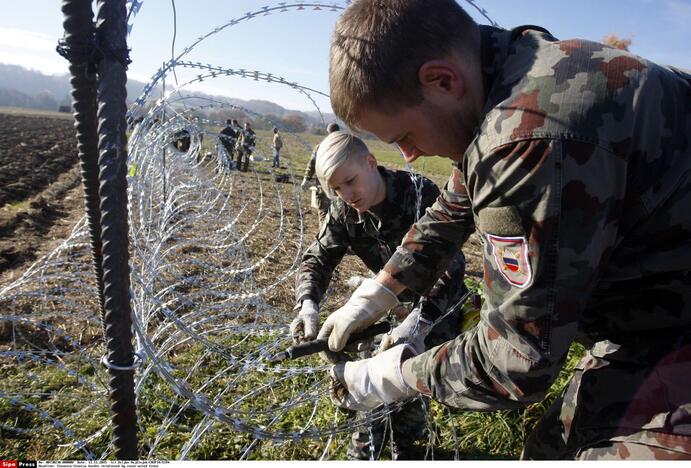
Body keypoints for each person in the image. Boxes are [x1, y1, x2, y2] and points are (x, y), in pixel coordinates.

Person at [321, 0, 691, 460]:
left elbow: (516, 360)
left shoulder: (528, 136)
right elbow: (454, 206)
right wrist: (379, 291)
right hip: (658, 304)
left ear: (441, 80)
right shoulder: (515, 70)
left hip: (671, 324)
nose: (410, 157)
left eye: (404, 138)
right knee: (550, 448)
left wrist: (388, 377)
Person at [291, 131, 468, 459]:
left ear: (371, 163)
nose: (346, 194)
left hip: (438, 304)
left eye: (350, 181)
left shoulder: (418, 194)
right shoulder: (343, 212)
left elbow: (450, 264)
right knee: (372, 387)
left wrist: (420, 321)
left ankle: (408, 448)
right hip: (387, 303)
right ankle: (366, 452)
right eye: (336, 189)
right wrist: (308, 303)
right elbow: (319, 257)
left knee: (412, 380)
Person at [301, 122, 340, 226]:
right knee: (338, 215)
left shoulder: (320, 147)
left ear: (328, 132)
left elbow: (312, 164)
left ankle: (325, 238)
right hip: (340, 188)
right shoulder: (344, 147)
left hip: (323, 186)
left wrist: (306, 179)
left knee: (323, 214)